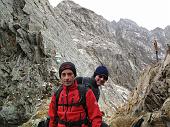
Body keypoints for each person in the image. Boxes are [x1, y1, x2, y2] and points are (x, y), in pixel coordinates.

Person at [48, 62, 102, 127]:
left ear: (74, 75)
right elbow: (52, 119)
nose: (67, 78)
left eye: (69, 74)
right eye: (63, 75)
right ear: (60, 77)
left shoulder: (86, 92)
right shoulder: (57, 94)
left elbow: (95, 116)